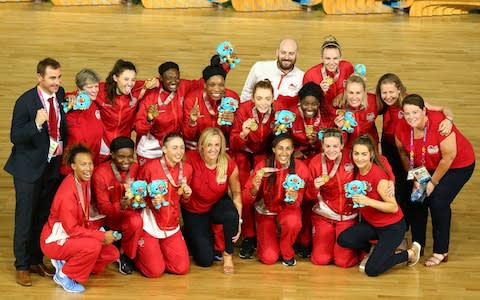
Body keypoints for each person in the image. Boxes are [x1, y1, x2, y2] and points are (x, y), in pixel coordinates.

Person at [4, 58, 67, 286]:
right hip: (28, 169)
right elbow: (15, 136)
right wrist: (36, 124)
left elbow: (62, 126)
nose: (57, 82)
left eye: (59, 77)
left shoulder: (59, 96)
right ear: (39, 77)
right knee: (25, 217)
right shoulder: (25, 102)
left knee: (42, 216)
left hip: (50, 166)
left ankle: (35, 259)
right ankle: (21, 265)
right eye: (52, 78)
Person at [395, 94, 475, 267]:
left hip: (457, 165)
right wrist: (416, 177)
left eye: (415, 112)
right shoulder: (401, 127)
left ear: (424, 111)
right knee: (417, 199)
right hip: (426, 165)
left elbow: (449, 157)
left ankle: (441, 250)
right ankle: (418, 246)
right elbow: (403, 153)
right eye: (407, 113)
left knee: (438, 202)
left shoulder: (440, 124)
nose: (411, 117)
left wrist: (432, 183)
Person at [376, 73, 453, 231]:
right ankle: (399, 225)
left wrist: (449, 119)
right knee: (395, 183)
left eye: (391, 92)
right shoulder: (382, 99)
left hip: (410, 148)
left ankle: (410, 224)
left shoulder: (411, 102)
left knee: (411, 186)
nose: (388, 96)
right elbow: (368, 91)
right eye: (384, 92)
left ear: (399, 90)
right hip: (390, 145)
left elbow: (442, 108)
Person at [337, 135, 422, 276]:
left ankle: (409, 253)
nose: (359, 158)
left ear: (371, 154)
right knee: (344, 239)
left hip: (391, 228)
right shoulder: (358, 170)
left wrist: (367, 201)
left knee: (372, 270)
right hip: (373, 225)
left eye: (364, 154)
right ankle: (377, 250)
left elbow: (393, 207)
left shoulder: (379, 177)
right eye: (356, 154)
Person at [40, 144, 119, 293]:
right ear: (73, 166)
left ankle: (69, 262)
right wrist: (101, 236)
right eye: (83, 164)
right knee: (93, 246)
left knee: (111, 254)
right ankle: (63, 274)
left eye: (90, 163)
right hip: (56, 240)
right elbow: (72, 229)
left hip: (71, 235)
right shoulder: (67, 194)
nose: (88, 168)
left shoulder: (84, 181)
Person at [243, 133, 310, 266]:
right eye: (280, 148)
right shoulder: (262, 166)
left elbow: (301, 200)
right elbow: (246, 199)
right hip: (266, 212)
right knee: (269, 258)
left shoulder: (301, 168)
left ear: (292, 150)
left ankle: (286, 250)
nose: (284, 152)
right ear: (273, 149)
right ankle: (270, 241)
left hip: (288, 209)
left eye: (288, 148)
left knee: (293, 222)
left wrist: (295, 198)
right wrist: (254, 189)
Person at [182, 128, 242, 274]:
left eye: (217, 145)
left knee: (231, 215)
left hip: (216, 204)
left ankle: (228, 255)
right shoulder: (189, 159)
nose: (213, 149)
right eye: (209, 145)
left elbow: (236, 194)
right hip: (194, 210)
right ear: (201, 145)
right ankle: (191, 235)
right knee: (205, 260)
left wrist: (238, 221)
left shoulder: (228, 164)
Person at [229, 79, 276, 259]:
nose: (263, 102)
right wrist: (243, 134)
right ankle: (248, 235)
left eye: (267, 98)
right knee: (243, 192)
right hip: (242, 151)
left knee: (261, 188)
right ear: (253, 99)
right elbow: (233, 143)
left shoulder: (277, 113)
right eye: (259, 98)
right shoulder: (243, 110)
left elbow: (278, 139)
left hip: (263, 153)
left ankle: (262, 230)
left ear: (273, 99)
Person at [135, 133, 193, 277]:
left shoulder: (187, 169)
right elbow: (138, 198)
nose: (179, 151)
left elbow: (184, 200)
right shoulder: (149, 168)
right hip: (150, 222)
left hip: (171, 222)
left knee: (182, 268)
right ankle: (139, 256)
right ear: (164, 149)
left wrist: (187, 195)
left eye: (181, 147)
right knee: (155, 272)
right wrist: (150, 201)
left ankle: (157, 253)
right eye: (174, 148)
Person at [305, 128, 358, 267]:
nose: (331, 150)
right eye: (327, 146)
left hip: (347, 216)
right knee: (320, 260)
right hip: (323, 216)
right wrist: (313, 187)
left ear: (342, 145)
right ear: (322, 145)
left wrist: (390, 180)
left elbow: (376, 162)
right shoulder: (315, 162)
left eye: (335, 146)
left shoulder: (352, 157)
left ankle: (361, 251)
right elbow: (307, 196)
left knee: (343, 262)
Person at [134, 61, 204, 165]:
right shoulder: (151, 96)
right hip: (152, 146)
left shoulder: (183, 86)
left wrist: (224, 65)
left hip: (174, 143)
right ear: (161, 78)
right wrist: (149, 119)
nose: (173, 81)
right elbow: (139, 129)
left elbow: (202, 83)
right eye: (169, 78)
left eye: (176, 77)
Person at [91, 137, 142, 275]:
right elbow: (102, 208)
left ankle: (124, 254)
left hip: (127, 215)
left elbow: (141, 191)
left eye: (130, 157)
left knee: (136, 221)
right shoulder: (100, 173)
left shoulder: (136, 168)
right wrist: (120, 205)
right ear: (112, 155)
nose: (126, 161)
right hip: (106, 218)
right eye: (121, 157)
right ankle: (114, 245)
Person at [96, 59, 156, 149]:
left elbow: (157, 82)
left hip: (123, 146)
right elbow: (80, 93)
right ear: (115, 78)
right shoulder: (99, 90)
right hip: (102, 145)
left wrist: (156, 81)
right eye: (126, 79)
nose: (130, 84)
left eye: (133, 80)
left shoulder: (138, 90)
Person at [182, 64, 239, 151]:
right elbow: (188, 136)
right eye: (212, 85)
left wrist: (233, 122)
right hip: (197, 147)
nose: (217, 89)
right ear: (205, 84)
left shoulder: (232, 98)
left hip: (222, 147)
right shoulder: (192, 100)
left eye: (221, 85)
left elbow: (236, 134)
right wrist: (192, 122)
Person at [60, 68, 104, 174]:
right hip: (72, 168)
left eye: (96, 86)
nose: (94, 90)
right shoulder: (71, 102)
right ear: (80, 89)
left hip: (90, 164)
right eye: (90, 87)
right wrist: (67, 100)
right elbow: (61, 102)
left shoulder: (94, 103)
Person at [240, 38, 304, 109]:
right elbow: (247, 92)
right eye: (283, 52)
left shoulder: (302, 77)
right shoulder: (259, 67)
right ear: (277, 52)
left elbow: (299, 105)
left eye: (291, 53)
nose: (287, 57)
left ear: (297, 55)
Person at [303, 35, 354, 123]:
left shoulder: (348, 67)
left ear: (341, 58)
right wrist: (319, 92)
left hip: (344, 117)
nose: (331, 63)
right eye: (327, 58)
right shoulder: (310, 75)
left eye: (335, 58)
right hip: (321, 120)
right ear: (321, 59)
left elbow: (355, 88)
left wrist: (343, 93)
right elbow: (306, 104)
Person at [334, 74, 379, 151]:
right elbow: (339, 142)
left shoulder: (374, 101)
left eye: (358, 93)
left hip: (370, 147)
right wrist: (340, 129)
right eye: (351, 92)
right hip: (349, 150)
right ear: (345, 92)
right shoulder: (338, 106)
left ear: (364, 92)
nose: (354, 97)